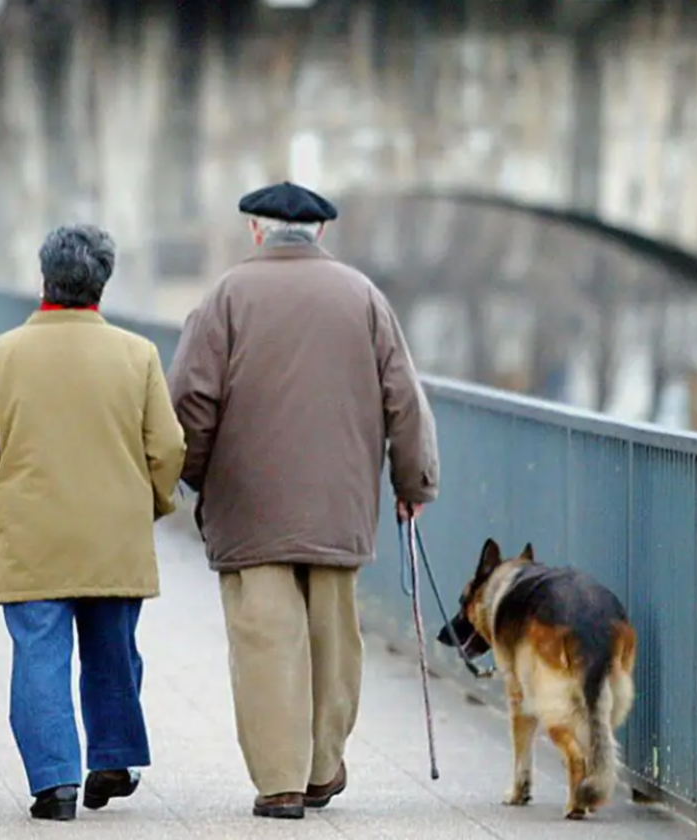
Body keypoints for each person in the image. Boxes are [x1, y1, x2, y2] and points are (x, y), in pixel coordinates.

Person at [167, 181, 441, 820]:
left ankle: (280, 781)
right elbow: (405, 399)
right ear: (321, 234)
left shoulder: (226, 297)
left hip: (249, 506)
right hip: (338, 506)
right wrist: (412, 483)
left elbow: (190, 402)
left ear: (256, 232)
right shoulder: (363, 297)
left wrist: (194, 476)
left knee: (266, 642)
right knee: (333, 641)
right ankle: (322, 770)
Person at [0, 224, 186, 822]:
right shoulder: (138, 356)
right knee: (112, 649)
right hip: (114, 532)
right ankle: (111, 754)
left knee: (39, 655)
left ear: (43, 281)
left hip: (29, 533)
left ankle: (54, 782)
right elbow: (166, 448)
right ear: (101, 285)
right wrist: (151, 504)